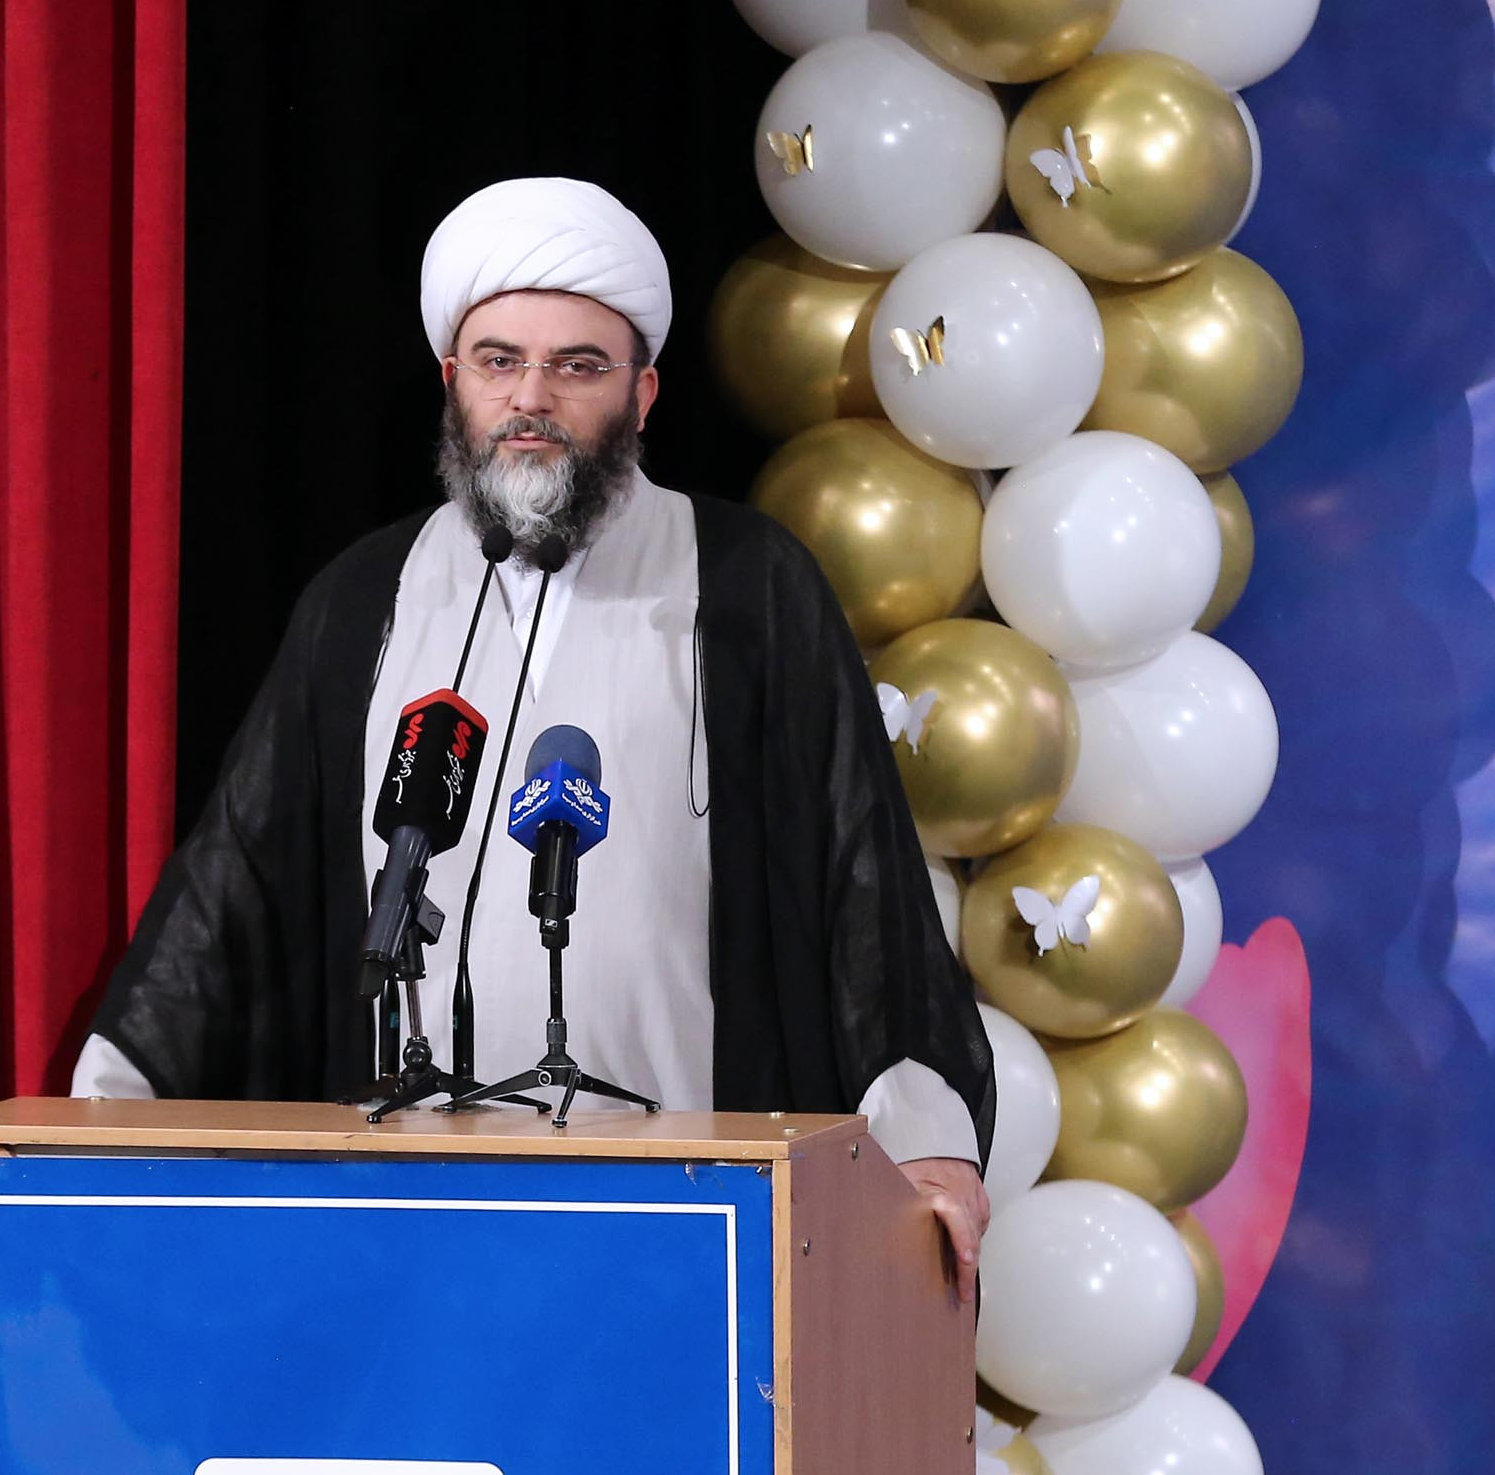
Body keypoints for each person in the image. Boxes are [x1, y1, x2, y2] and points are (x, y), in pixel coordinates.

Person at [77, 176, 995, 1291]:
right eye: (499, 361)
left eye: (578, 366)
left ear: (643, 393)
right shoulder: (365, 595)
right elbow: (239, 876)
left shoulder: (747, 583)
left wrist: (927, 1136)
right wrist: (110, 1092)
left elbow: (861, 869)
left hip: (686, 1205)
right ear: (452, 380)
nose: (532, 398)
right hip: (408, 1207)